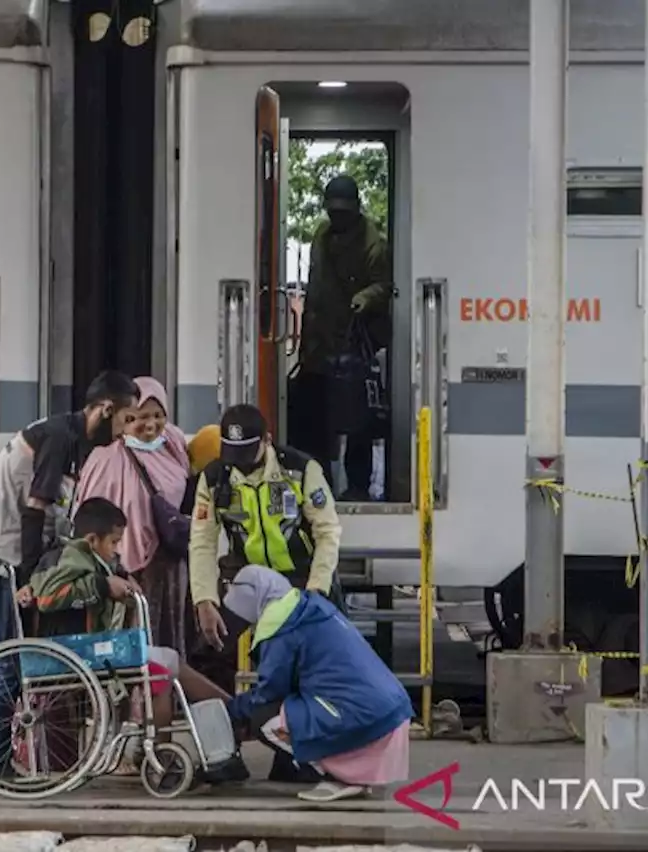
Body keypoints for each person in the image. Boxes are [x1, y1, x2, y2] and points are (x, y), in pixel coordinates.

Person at [0, 370, 141, 791]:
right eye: (127, 419)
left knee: (6, 658)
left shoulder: (72, 440)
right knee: (10, 660)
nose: (128, 430)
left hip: (6, 551)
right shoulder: (58, 437)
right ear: (106, 409)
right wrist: (36, 577)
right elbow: (35, 510)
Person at [22, 497, 248, 784]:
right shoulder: (70, 557)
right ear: (92, 540)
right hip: (75, 651)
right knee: (161, 671)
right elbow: (47, 597)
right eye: (114, 543)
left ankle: (235, 712)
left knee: (168, 660)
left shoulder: (87, 559)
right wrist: (103, 586)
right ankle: (169, 753)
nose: (117, 550)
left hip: (90, 648)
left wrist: (119, 579)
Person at [188, 403, 343, 783]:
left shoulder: (301, 470)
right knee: (207, 656)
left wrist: (317, 592)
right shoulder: (215, 477)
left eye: (248, 455)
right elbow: (202, 542)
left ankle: (299, 756)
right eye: (232, 455)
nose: (240, 464)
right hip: (246, 577)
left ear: (268, 441)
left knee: (307, 667)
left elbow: (328, 533)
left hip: (302, 579)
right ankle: (221, 753)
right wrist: (204, 601)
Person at [223, 565, 412, 802]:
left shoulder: (281, 628)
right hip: (391, 713)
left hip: (365, 719)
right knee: (287, 707)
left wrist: (230, 710)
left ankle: (339, 776)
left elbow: (269, 693)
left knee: (263, 717)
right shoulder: (311, 607)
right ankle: (358, 775)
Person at [289, 173, 393, 501]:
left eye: (343, 210)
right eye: (333, 210)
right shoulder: (321, 234)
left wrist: (365, 297)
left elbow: (385, 285)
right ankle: (318, 482)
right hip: (319, 343)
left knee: (357, 418)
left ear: (356, 209)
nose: (338, 216)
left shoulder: (374, 244)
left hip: (353, 345)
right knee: (313, 415)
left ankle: (358, 487)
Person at [74, 377, 191, 656]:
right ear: (126, 418)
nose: (151, 424)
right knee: (136, 639)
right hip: (129, 565)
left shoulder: (172, 444)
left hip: (170, 561)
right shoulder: (106, 457)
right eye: (140, 417)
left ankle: (169, 692)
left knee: (168, 638)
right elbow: (90, 511)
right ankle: (139, 700)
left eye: (158, 415)